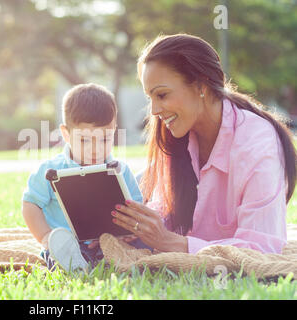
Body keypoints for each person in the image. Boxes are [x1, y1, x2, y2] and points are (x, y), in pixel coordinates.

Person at [111, 33, 296, 254]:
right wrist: (139, 227)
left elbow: (262, 246)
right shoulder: (178, 136)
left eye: (162, 94)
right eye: (150, 97)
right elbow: (165, 210)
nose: (154, 111)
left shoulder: (257, 144)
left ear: (201, 86)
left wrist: (171, 243)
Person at [22, 83, 148, 272]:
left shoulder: (121, 170)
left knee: (143, 248)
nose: (95, 149)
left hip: (110, 241)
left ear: (114, 129)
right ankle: (73, 264)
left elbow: (136, 209)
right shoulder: (50, 170)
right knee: (61, 253)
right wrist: (46, 237)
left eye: (105, 139)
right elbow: (30, 205)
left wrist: (128, 232)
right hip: (69, 245)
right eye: (85, 140)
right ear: (66, 134)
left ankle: (110, 261)